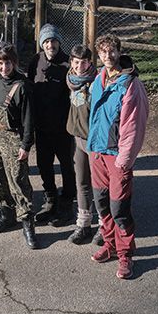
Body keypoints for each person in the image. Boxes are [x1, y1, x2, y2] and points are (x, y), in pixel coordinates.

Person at [87, 34, 148, 279]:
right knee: (101, 204)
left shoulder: (130, 84)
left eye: (112, 51)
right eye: (103, 52)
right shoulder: (99, 79)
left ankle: (125, 255)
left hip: (116, 156)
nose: (107, 56)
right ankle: (110, 245)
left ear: (119, 51)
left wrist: (125, 160)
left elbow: (135, 126)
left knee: (119, 208)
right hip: (97, 152)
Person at [0, 41, 38, 249]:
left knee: (18, 181)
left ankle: (27, 224)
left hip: (13, 138)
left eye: (7, 63)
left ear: (14, 63)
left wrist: (25, 146)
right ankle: (6, 215)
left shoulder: (22, 86)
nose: (3, 67)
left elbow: (29, 120)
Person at [30, 24, 76, 225]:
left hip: (63, 128)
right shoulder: (36, 61)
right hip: (41, 126)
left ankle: (67, 202)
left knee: (66, 165)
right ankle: (50, 199)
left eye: (54, 41)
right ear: (42, 44)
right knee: (44, 164)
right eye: (46, 41)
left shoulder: (68, 64)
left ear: (59, 42)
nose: (50, 45)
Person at [65, 44, 99, 245]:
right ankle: (84, 224)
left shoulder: (96, 83)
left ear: (90, 62)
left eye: (84, 62)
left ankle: (104, 226)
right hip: (76, 138)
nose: (79, 66)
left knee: (99, 185)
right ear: (71, 62)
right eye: (76, 62)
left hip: (93, 141)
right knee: (82, 182)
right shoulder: (71, 80)